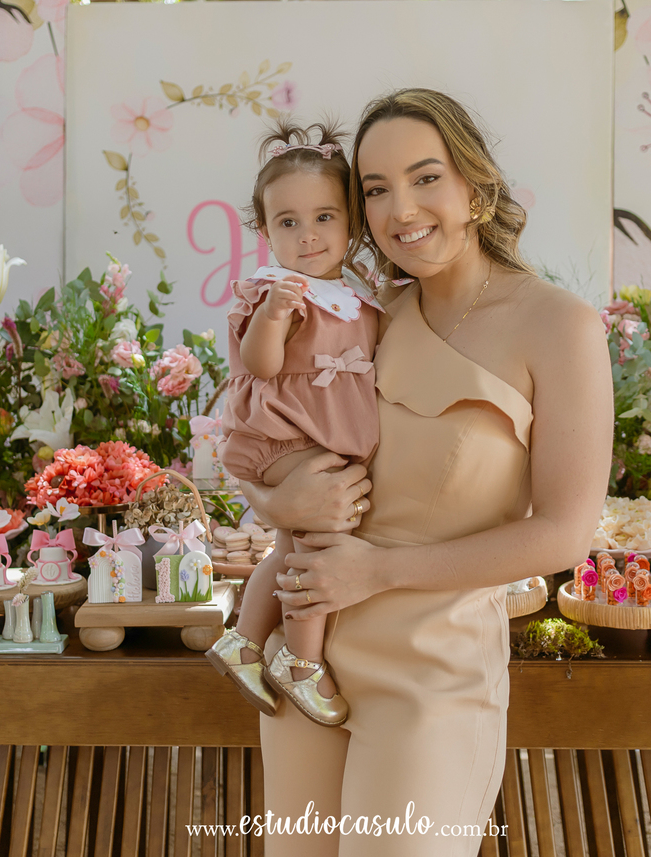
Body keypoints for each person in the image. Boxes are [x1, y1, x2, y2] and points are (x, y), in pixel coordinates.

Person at [240, 89, 614, 856]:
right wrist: (277, 501)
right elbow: (258, 429)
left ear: (475, 186)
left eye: (425, 177)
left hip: (432, 683)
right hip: (306, 663)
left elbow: (564, 533)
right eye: (376, 189)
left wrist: (377, 572)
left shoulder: (560, 325)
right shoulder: (362, 314)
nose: (401, 209)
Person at [206, 121, 383, 728]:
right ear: (265, 232)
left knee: (287, 548)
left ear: (351, 222)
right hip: (283, 435)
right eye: (288, 222)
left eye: (324, 217)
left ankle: (244, 642)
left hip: (314, 435)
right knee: (320, 541)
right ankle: (302, 661)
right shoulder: (276, 291)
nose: (308, 235)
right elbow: (260, 364)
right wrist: (275, 317)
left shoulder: (354, 292)